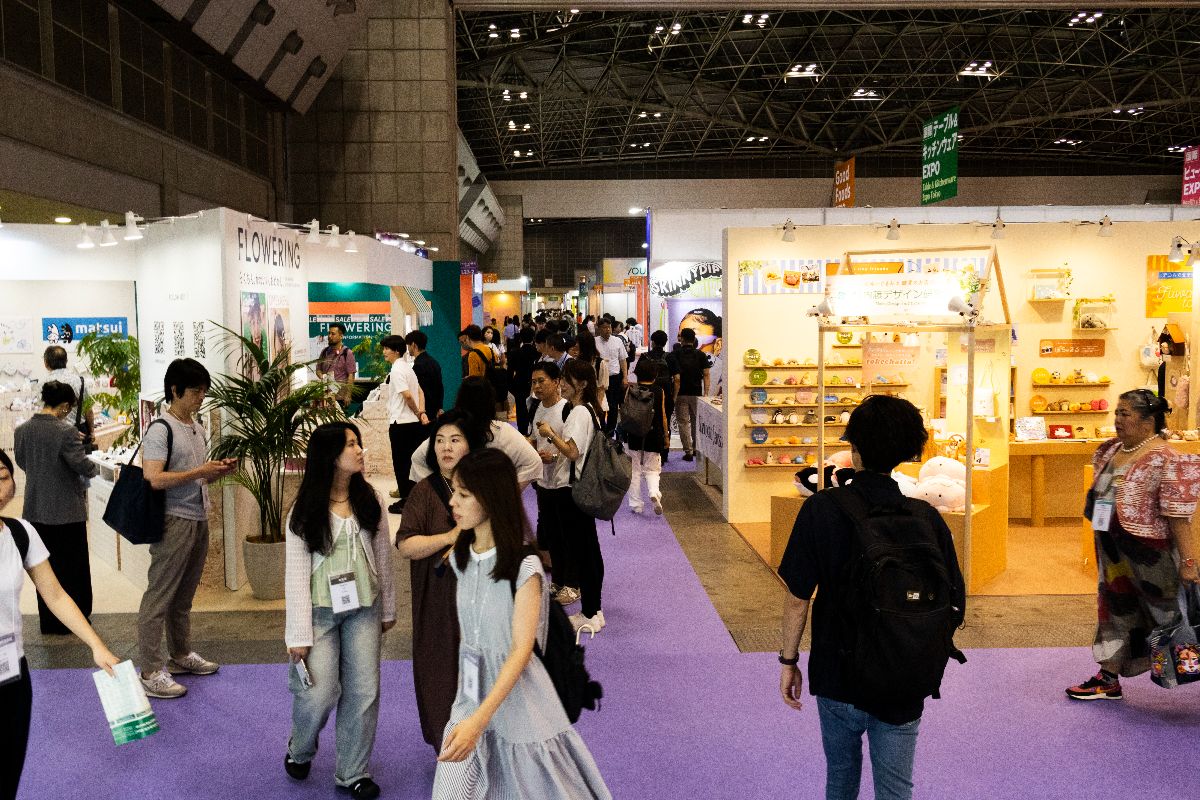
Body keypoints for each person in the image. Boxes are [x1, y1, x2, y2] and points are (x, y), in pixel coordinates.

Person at [777, 395, 965, 800]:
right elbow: (954, 601)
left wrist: (789, 661)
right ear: (907, 451)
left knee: (841, 780)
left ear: (854, 449)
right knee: (897, 789)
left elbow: (797, 598)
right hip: (905, 672)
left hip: (838, 669)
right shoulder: (926, 517)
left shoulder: (822, 509)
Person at [430, 448, 611, 799]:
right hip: (469, 694)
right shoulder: (460, 559)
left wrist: (479, 722)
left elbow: (521, 650)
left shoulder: (523, 568)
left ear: (492, 499)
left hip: (520, 701)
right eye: (454, 491)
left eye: (464, 494)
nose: (453, 502)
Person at [284, 422, 396, 800]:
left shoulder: (372, 500)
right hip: (318, 615)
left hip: (364, 608)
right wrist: (297, 635)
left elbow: (384, 558)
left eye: (359, 443)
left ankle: (353, 772)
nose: (360, 450)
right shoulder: (303, 510)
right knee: (317, 693)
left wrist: (388, 610)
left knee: (364, 691)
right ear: (331, 455)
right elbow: (296, 576)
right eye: (352, 445)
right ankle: (300, 747)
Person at [0, 448, 119, 800]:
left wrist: (97, 645)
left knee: (7, 773)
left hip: (11, 677)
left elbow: (55, 596)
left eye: (2, 477)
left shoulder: (20, 534)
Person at [1068, 389, 1200, 700]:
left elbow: (1179, 518)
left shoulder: (1168, 458)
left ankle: (1184, 671)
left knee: (1169, 618)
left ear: (1148, 421)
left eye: (1125, 413)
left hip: (1151, 555)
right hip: (1114, 554)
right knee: (1114, 611)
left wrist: (1190, 562)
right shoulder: (1111, 450)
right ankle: (1108, 677)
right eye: (1117, 412)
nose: (1117, 419)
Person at [138, 358, 236, 699]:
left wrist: (216, 470)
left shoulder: (195, 427)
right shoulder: (160, 429)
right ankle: (150, 669)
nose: (201, 397)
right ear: (175, 390)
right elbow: (153, 478)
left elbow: (195, 473)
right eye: (195, 391)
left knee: (183, 598)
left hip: (198, 516)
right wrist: (198, 472)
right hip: (173, 519)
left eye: (204, 391)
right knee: (160, 596)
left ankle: (180, 654)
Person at [396, 411, 487, 752]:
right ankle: (446, 747)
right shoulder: (424, 491)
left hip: (481, 600)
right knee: (439, 672)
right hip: (437, 601)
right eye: (439, 440)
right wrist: (449, 537)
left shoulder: (485, 487)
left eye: (455, 439)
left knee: (480, 673)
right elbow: (406, 545)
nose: (446, 447)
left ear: (470, 445)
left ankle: (480, 743)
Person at [13, 381, 99, 634]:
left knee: (44, 569)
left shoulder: (23, 430)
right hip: (66, 510)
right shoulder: (65, 432)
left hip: (35, 508)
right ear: (63, 406)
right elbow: (81, 465)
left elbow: (21, 461)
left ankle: (50, 622)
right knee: (73, 567)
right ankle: (76, 620)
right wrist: (95, 467)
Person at [543, 359, 606, 632]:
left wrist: (550, 435)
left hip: (571, 490)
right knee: (588, 551)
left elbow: (572, 451)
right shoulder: (589, 409)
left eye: (566, 380)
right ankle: (594, 610)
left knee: (583, 552)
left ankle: (591, 612)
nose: (562, 385)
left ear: (580, 383)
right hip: (577, 487)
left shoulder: (580, 412)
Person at [408, 377, 542, 488]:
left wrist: (441, 492)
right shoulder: (500, 431)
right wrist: (507, 495)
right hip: (490, 507)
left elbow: (418, 458)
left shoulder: (451, 431)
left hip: (456, 507)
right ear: (490, 401)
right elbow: (534, 461)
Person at [527, 362, 578, 607]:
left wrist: (554, 455)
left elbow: (575, 450)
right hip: (543, 483)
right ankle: (558, 580)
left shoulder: (567, 409)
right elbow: (534, 439)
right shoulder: (536, 408)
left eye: (542, 381)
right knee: (552, 536)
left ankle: (573, 584)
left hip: (565, 483)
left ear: (557, 382)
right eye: (534, 382)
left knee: (569, 536)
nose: (537, 386)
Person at [382, 334, 426, 514]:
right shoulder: (408, 368)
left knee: (401, 465)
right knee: (410, 464)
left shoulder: (397, 370)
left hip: (401, 424)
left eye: (386, 349)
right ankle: (411, 500)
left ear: (396, 351)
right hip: (412, 424)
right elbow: (420, 392)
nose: (384, 352)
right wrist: (421, 413)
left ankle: (406, 502)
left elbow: (408, 395)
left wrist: (417, 412)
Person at [624, 359, 668, 516]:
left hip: (633, 435)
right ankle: (654, 492)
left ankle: (636, 504)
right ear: (655, 374)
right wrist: (666, 435)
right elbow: (662, 415)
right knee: (653, 469)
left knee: (634, 471)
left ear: (637, 374)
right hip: (653, 434)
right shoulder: (659, 391)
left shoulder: (630, 390)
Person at [638, 330, 679, 462]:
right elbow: (677, 379)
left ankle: (647, 450)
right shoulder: (670, 357)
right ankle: (664, 452)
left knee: (646, 421)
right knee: (664, 421)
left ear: (653, 342)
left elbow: (638, 377)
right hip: (666, 395)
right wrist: (673, 397)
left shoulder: (645, 356)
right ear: (666, 342)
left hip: (646, 395)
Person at [674, 327, 712, 462]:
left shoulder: (676, 354)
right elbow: (706, 374)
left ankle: (688, 451)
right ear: (694, 339)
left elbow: (676, 378)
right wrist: (706, 392)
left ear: (682, 339)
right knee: (696, 421)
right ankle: (697, 449)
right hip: (697, 393)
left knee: (683, 422)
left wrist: (673, 394)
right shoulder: (701, 355)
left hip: (681, 393)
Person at [43, 345, 93, 447]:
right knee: (79, 461)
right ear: (66, 361)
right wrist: (92, 431)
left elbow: (43, 415)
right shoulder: (79, 381)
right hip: (80, 432)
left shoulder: (43, 384)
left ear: (46, 363)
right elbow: (88, 409)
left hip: (54, 433)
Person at [593, 318, 628, 435]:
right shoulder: (594, 342)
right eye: (604, 327)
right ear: (599, 329)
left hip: (614, 378)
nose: (607, 330)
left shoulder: (617, 341)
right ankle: (601, 428)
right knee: (601, 404)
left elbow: (623, 360)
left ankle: (611, 431)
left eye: (609, 327)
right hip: (600, 379)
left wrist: (625, 377)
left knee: (613, 406)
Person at [316, 322, 357, 411]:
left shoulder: (347, 353)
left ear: (341, 336)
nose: (329, 336)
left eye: (333, 334)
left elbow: (351, 375)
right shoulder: (324, 352)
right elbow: (318, 369)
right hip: (326, 397)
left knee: (339, 424)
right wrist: (322, 376)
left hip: (340, 398)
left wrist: (348, 395)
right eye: (329, 333)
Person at [406, 330, 445, 422]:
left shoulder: (418, 365)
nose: (408, 348)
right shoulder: (434, 362)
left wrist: (419, 411)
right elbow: (440, 386)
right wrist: (439, 407)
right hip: (434, 410)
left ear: (413, 345)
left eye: (408, 345)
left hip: (425, 412)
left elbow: (419, 390)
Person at [508, 327, 540, 436]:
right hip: (534, 382)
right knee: (534, 406)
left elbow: (510, 371)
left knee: (521, 408)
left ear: (521, 338)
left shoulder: (514, 352)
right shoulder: (537, 352)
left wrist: (511, 386)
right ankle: (532, 430)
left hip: (519, 382)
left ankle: (522, 432)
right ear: (533, 338)